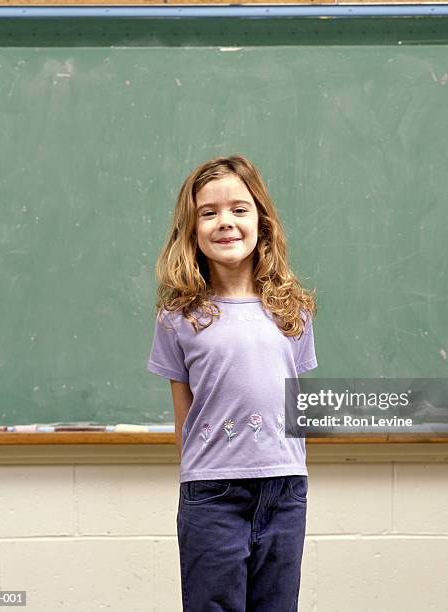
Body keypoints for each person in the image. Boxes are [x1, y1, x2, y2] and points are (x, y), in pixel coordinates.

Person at [146, 154, 318, 611]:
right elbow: (184, 414)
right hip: (213, 494)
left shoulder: (292, 310)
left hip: (284, 489)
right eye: (209, 212)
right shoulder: (179, 317)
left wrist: (291, 472)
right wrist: (197, 485)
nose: (225, 222)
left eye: (239, 209)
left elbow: (293, 404)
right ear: (192, 229)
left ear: (261, 220)